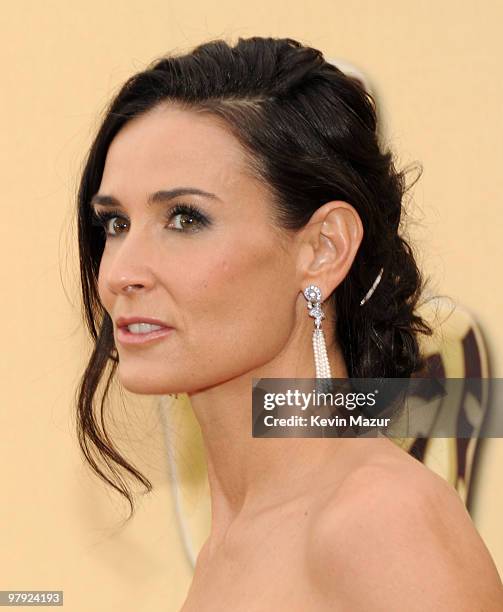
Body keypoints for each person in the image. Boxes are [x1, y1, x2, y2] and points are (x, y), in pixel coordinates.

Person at [75, 36, 503, 610]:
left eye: (184, 218)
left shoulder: (379, 521)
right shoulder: (230, 546)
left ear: (323, 249)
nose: (120, 273)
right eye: (115, 223)